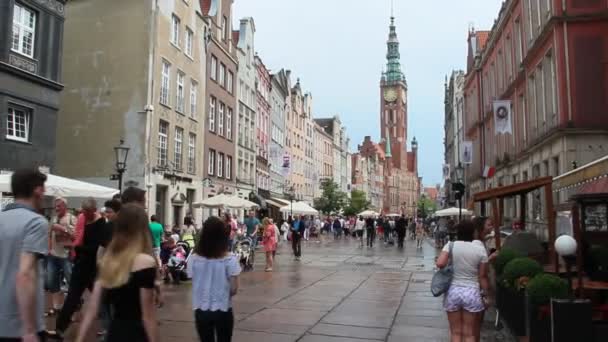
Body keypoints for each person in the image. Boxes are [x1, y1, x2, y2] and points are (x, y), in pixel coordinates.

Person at [75, 204, 158, 342]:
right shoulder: (145, 262)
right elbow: (148, 316)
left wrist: (79, 339)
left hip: (115, 332)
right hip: (136, 334)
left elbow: (92, 310)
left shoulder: (108, 261)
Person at [50, 197, 111, 339]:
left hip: (93, 268)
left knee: (102, 300)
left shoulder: (101, 223)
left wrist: (76, 247)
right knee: (71, 297)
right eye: (83, 211)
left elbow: (96, 248)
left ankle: (111, 328)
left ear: (93, 210)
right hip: (81, 265)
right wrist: (76, 248)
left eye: (87, 211)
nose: (84, 213)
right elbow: (78, 237)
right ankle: (59, 329)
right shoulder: (83, 219)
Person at [0, 169, 48, 342]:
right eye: (43, 189)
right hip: (19, 325)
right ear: (36, 190)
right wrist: (28, 330)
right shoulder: (35, 222)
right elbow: (25, 274)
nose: (44, 194)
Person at [187, 217, 241, 342]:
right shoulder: (230, 259)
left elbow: (193, 279)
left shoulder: (194, 259)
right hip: (223, 307)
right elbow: (234, 289)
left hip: (201, 307)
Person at [436, 221, 489, 342]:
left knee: (455, 332)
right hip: (472, 292)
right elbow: (483, 276)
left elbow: (440, 263)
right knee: (469, 333)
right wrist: (486, 295)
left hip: (453, 291)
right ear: (473, 233)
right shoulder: (480, 249)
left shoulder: (451, 245)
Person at [45, 197, 77, 317]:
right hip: (53, 255)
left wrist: (63, 228)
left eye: (59, 206)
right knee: (52, 282)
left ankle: (72, 308)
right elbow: (49, 234)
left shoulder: (72, 218)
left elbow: (76, 236)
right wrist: (48, 249)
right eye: (55, 206)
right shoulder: (53, 218)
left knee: (71, 281)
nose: (56, 208)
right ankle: (56, 308)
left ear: (65, 206)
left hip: (66, 255)